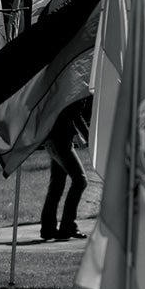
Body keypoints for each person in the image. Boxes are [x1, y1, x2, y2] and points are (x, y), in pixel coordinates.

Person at [40, 101, 89, 241]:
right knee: (80, 181)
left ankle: (48, 229)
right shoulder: (77, 81)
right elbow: (67, 112)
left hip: (55, 139)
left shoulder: (75, 81)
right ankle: (68, 226)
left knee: (57, 185)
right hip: (59, 140)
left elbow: (71, 112)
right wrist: (82, 135)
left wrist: (85, 135)